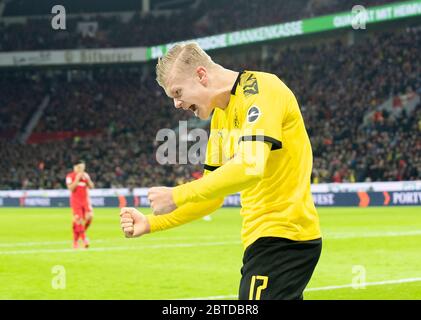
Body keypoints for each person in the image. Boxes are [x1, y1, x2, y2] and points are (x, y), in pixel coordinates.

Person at [119, 42, 322, 300]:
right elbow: (211, 196)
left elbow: (250, 166)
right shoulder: (220, 118)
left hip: (285, 238)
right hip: (260, 242)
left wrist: (176, 195)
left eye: (178, 92)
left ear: (201, 75)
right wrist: (150, 223)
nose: (177, 104)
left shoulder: (262, 90)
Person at [66, 160, 94, 249]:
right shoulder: (70, 176)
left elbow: (91, 187)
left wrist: (88, 179)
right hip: (76, 202)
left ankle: (77, 238)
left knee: (89, 217)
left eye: (83, 167)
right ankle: (84, 239)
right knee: (79, 221)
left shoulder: (85, 175)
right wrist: (77, 178)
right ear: (75, 167)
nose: (81, 169)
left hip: (85, 201)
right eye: (80, 167)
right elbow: (71, 188)